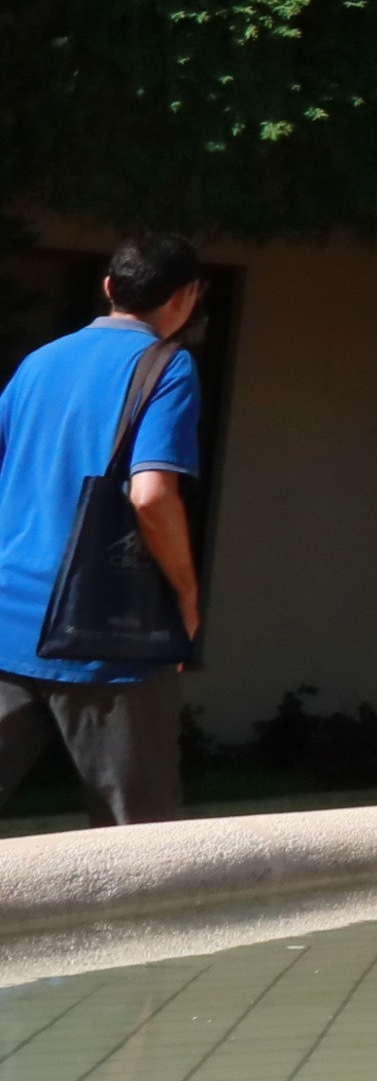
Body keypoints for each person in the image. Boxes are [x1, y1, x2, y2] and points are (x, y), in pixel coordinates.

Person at [0, 231, 209, 825]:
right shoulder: (168, 367)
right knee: (137, 850)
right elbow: (150, 496)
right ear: (186, 297)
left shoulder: (39, 363)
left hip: (8, 623)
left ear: (110, 287)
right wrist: (187, 598)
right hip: (107, 639)